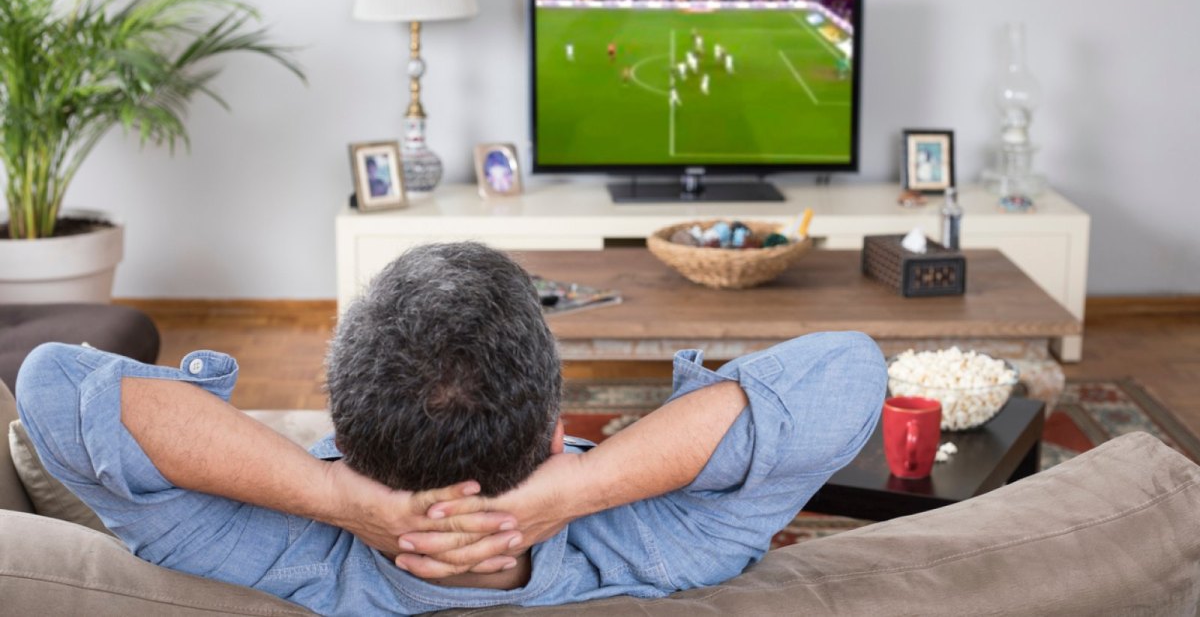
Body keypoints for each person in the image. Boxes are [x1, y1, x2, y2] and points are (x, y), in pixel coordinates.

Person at [15, 242, 885, 616]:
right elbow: (849, 367)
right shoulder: (672, 541)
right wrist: (575, 491)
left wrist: (330, 497)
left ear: (346, 439)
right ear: (553, 425)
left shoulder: (261, 551)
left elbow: (55, 383)